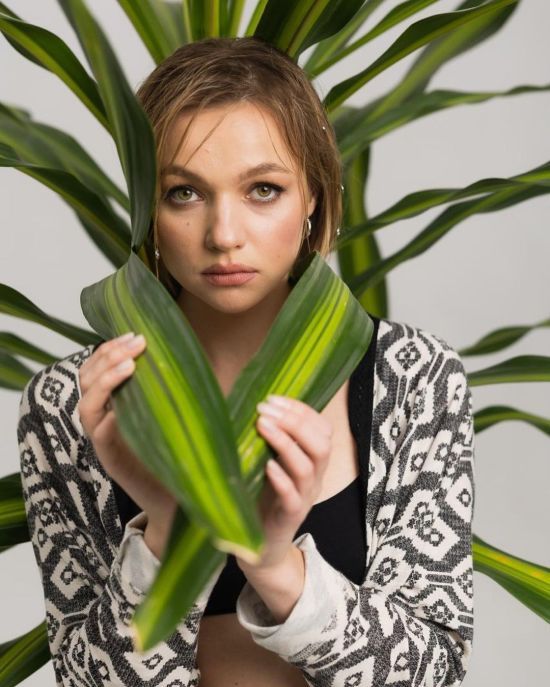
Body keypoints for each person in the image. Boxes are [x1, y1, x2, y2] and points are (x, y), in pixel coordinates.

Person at [17, 36, 475, 687]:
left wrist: (273, 562)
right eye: (184, 192)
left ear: (313, 194)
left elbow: (436, 672)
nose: (224, 234)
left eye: (263, 189)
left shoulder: (415, 379)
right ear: (146, 207)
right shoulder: (70, 405)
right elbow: (86, 677)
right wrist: (168, 528)